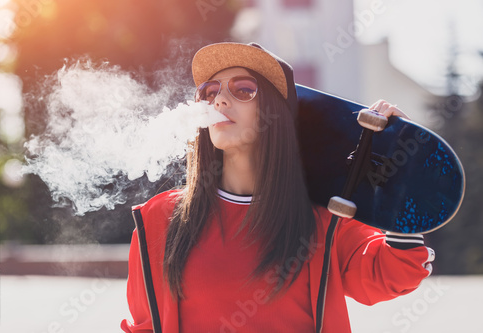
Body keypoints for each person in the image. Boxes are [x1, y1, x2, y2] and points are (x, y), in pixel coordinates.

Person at [121, 42, 435, 333]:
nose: (219, 99)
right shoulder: (157, 222)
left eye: (243, 90)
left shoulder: (325, 220)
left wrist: (404, 177)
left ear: (274, 115)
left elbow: (391, 274)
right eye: (209, 91)